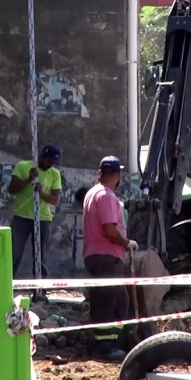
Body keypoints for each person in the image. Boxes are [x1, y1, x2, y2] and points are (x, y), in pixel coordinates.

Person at [81, 155, 139, 362]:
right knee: (108, 302)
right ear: (117, 175)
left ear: (100, 173)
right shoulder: (106, 196)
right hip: (106, 255)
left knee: (118, 299)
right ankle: (104, 347)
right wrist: (127, 243)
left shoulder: (92, 194)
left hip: (96, 255)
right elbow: (109, 230)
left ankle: (109, 342)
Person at [7, 144, 62, 282]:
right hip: (21, 217)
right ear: (42, 156)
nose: (50, 165)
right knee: (14, 253)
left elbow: (55, 200)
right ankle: (6, 285)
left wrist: (42, 192)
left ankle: (40, 290)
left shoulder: (55, 174)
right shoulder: (23, 166)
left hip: (43, 219)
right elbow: (12, 189)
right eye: (49, 161)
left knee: (40, 257)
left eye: (53, 163)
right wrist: (29, 179)